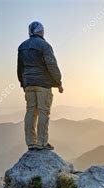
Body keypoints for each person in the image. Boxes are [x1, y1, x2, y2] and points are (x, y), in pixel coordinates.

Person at [17, 21, 63, 151]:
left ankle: (31, 142)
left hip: (28, 84)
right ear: (41, 32)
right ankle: (42, 143)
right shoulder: (45, 45)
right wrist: (58, 82)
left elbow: (20, 68)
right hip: (43, 85)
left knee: (30, 111)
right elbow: (51, 65)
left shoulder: (22, 47)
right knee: (43, 112)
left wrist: (23, 83)